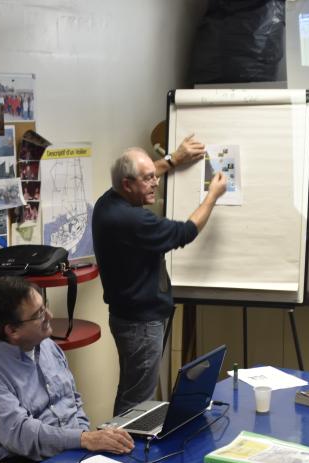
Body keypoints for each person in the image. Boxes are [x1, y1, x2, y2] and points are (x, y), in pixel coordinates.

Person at [92, 136, 228, 415]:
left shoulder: (108, 201)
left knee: (131, 392)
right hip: (141, 325)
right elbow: (185, 232)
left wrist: (173, 160)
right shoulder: (133, 220)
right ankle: (124, 443)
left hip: (129, 318)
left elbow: (143, 173)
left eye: (155, 175)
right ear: (127, 184)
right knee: (137, 403)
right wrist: (212, 195)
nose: (155, 182)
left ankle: (119, 438)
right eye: (148, 179)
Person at [0, 277, 132, 463]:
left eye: (45, 307)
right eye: (39, 314)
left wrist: (85, 444)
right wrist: (83, 439)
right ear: (12, 331)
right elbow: (22, 435)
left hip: (68, 453)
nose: (49, 315)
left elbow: (73, 401)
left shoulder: (48, 346)